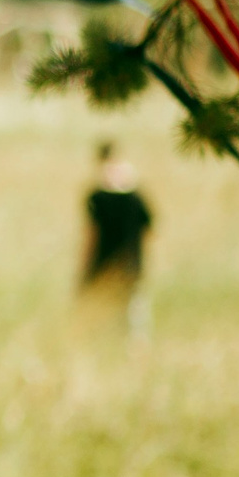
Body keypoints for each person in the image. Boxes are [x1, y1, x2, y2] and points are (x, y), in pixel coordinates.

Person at [81, 140, 152, 333]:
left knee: (100, 322)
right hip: (132, 265)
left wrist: (84, 270)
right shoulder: (135, 195)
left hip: (103, 266)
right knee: (133, 322)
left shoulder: (97, 197)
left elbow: (91, 235)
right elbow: (149, 228)